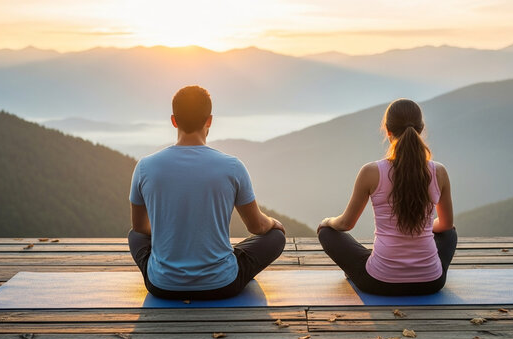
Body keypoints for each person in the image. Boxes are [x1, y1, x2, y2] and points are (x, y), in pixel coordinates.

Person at [128, 85, 286, 300]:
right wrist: (273, 223)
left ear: (174, 120)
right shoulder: (232, 167)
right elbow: (257, 226)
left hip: (162, 286)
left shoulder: (145, 166)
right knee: (275, 238)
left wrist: (173, 237)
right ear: (209, 120)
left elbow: (140, 227)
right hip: (222, 284)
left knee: (134, 236)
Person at [317, 99, 457, 296]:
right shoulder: (439, 171)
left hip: (380, 282)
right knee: (449, 233)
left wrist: (327, 221)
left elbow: (345, 224)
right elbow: (446, 225)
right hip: (431, 282)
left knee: (327, 232)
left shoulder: (371, 172)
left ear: (388, 131)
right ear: (421, 128)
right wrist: (422, 227)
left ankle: (359, 269)